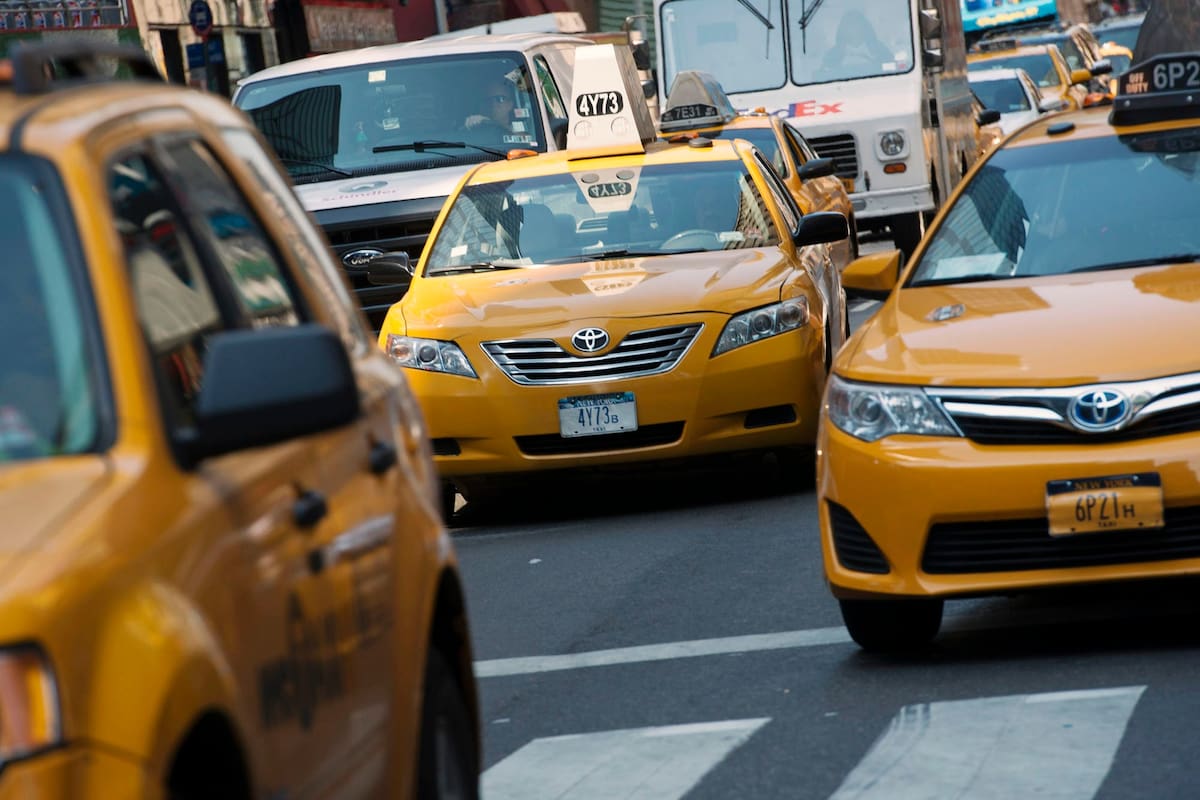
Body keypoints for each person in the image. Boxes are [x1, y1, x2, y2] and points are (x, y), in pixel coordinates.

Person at [821, 10, 892, 75]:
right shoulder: (834, 54)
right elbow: (825, 74)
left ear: (864, 26)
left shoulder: (878, 48)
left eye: (856, 23)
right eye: (849, 24)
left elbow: (891, 68)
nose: (853, 27)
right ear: (843, 28)